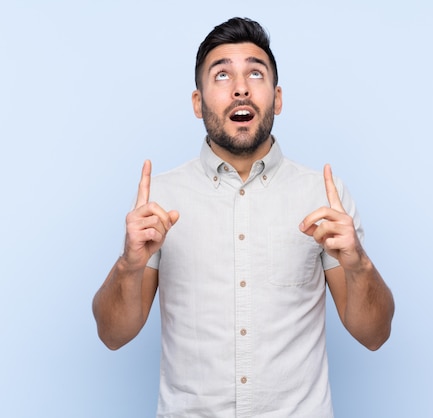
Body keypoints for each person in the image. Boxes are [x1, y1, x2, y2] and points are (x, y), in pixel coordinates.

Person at [93, 17, 395, 417]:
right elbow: (113, 335)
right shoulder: (160, 199)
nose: (240, 87)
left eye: (256, 72)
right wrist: (129, 266)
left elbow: (374, 335)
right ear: (198, 102)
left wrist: (360, 265)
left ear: (278, 98)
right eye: (222, 75)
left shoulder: (324, 196)